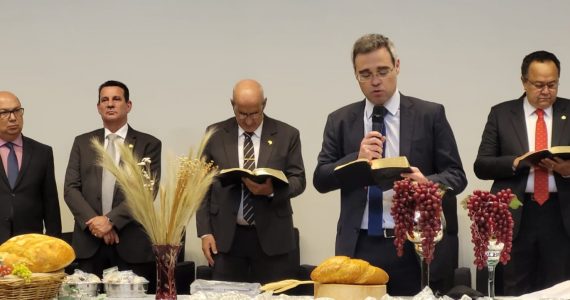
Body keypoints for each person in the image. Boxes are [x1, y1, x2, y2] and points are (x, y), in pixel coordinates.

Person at [313, 34, 467, 296]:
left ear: (397, 66)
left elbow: (457, 176)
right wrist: (356, 159)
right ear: (355, 75)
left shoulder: (430, 115)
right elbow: (321, 179)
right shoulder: (340, 120)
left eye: (382, 71)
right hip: (358, 246)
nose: (375, 81)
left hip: (412, 244)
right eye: (365, 74)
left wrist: (428, 184)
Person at [474, 50, 570, 295]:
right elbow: (482, 165)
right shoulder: (502, 114)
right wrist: (516, 163)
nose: (546, 91)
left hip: (560, 215)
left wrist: (566, 170)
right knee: (515, 287)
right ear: (524, 82)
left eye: (552, 84)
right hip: (516, 214)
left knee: (558, 288)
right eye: (538, 85)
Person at [196, 79, 306, 283]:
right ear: (232, 105)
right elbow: (201, 188)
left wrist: (271, 191)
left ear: (264, 104)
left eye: (255, 113)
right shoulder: (215, 134)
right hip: (226, 238)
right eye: (242, 113)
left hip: (273, 237)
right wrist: (205, 233)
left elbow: (299, 180)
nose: (248, 121)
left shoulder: (287, 134)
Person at [64, 80, 161, 291]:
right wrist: (96, 224)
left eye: (116, 99)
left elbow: (146, 191)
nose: (110, 104)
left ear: (129, 105)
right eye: (104, 100)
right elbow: (71, 189)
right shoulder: (82, 142)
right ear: (98, 107)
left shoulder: (149, 144)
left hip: (131, 243)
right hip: (90, 244)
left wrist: (111, 221)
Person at [0, 91, 61, 244]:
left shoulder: (42, 152)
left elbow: (50, 202)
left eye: (17, 110)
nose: (13, 118)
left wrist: (54, 243)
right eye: (4, 113)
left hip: (31, 245)